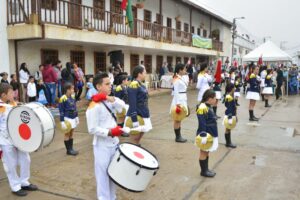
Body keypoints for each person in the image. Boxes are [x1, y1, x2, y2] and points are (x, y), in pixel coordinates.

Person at [86, 73, 128, 200]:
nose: (111, 86)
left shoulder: (108, 101)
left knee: (113, 174)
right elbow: (92, 129)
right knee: (103, 176)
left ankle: (112, 197)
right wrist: (110, 132)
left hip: (114, 143)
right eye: (107, 84)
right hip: (102, 146)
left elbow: (123, 107)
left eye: (110, 83)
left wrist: (111, 99)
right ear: (98, 86)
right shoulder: (94, 106)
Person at [0, 83, 38, 196]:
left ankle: (24, 181)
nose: (14, 94)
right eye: (11, 93)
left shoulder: (13, 104)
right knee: (10, 163)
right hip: (5, 139)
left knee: (26, 159)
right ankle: (15, 186)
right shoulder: (1, 107)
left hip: (18, 138)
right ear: (3, 95)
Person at [125, 66, 152, 145]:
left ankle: (136, 146)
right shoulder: (134, 85)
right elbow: (132, 102)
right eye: (144, 73)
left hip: (143, 112)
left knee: (142, 131)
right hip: (137, 112)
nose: (145, 74)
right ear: (139, 74)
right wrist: (134, 119)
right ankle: (133, 150)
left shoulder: (141, 84)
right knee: (135, 137)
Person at [196, 89, 218, 177]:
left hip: (211, 131)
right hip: (206, 133)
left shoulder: (208, 106)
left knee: (207, 151)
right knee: (203, 152)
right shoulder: (202, 107)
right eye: (214, 98)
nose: (216, 100)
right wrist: (203, 135)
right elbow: (202, 122)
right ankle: (203, 171)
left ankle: (206, 169)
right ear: (209, 98)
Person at [59, 83, 79, 156]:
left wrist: (76, 116)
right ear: (67, 90)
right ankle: (68, 150)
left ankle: (71, 148)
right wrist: (62, 121)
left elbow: (75, 107)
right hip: (67, 118)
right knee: (67, 133)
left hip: (73, 117)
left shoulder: (73, 97)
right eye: (72, 89)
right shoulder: (62, 98)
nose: (73, 90)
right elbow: (61, 110)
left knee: (71, 133)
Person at [170, 64, 188, 143]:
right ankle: (177, 137)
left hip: (182, 98)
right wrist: (177, 104)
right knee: (177, 119)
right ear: (180, 70)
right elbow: (175, 92)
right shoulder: (176, 78)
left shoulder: (181, 77)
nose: (185, 71)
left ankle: (179, 136)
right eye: (184, 69)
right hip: (179, 100)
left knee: (179, 118)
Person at [223, 83, 237, 148]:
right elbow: (229, 107)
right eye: (234, 87)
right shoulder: (229, 97)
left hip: (231, 114)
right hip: (229, 115)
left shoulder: (230, 96)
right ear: (231, 89)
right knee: (227, 129)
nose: (235, 89)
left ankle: (229, 142)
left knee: (228, 129)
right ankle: (228, 143)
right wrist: (230, 117)